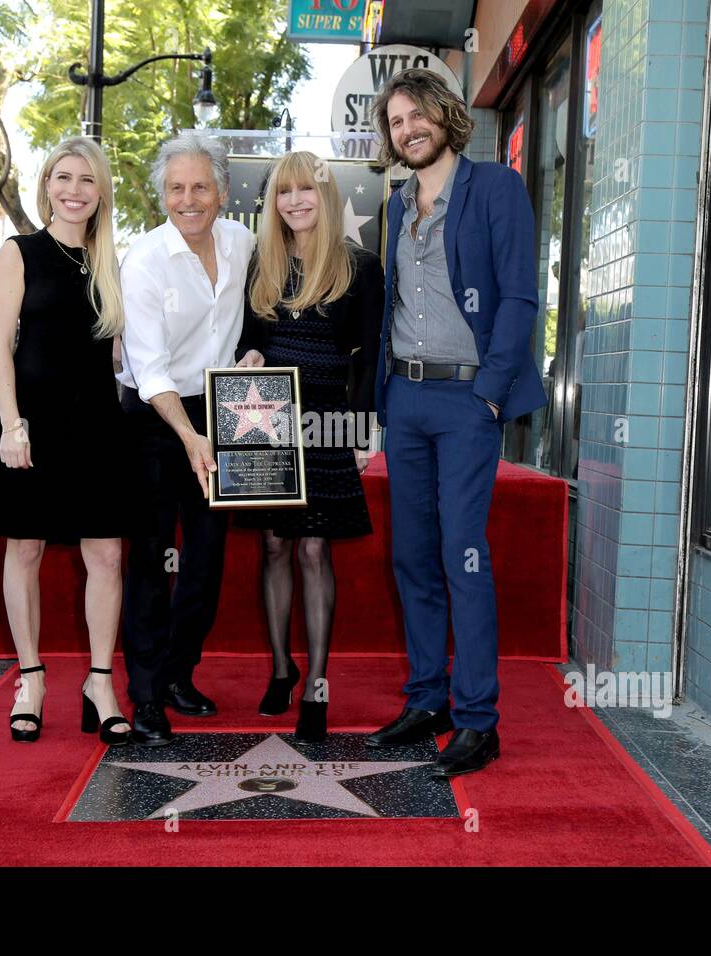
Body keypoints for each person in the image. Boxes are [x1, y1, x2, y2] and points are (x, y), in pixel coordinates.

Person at [364, 68, 546, 777]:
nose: (407, 128)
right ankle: (427, 699)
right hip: (405, 399)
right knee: (412, 554)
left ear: (444, 116)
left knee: (462, 554)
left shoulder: (495, 187)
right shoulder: (394, 204)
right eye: (396, 121)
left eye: (417, 116)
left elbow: (520, 299)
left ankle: (478, 720)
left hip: (468, 400)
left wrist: (492, 395)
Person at [0, 136, 137, 746]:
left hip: (96, 423)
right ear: (47, 185)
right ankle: (30, 679)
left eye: (86, 179)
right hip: (29, 420)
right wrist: (9, 424)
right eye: (63, 177)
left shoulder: (112, 261)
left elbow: (119, 354)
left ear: (100, 189)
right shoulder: (20, 251)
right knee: (24, 548)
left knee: (107, 555)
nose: (74, 190)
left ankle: (101, 683)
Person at [234, 150, 383, 741]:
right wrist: (249, 355)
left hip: (326, 418)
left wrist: (363, 428)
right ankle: (280, 668)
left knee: (314, 550)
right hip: (266, 415)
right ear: (274, 203)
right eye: (283, 193)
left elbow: (372, 354)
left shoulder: (359, 266)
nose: (295, 202)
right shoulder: (260, 263)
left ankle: (317, 683)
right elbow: (250, 339)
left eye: (306, 191)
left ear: (326, 196)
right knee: (273, 546)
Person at [116, 131, 255, 746]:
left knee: (206, 555)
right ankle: (144, 696)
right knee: (149, 559)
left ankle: (178, 675)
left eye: (200, 186)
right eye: (176, 188)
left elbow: (256, 316)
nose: (189, 199)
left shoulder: (243, 242)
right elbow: (148, 368)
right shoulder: (144, 260)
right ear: (162, 196)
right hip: (153, 415)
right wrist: (190, 437)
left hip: (221, 406)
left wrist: (254, 352)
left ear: (222, 191)